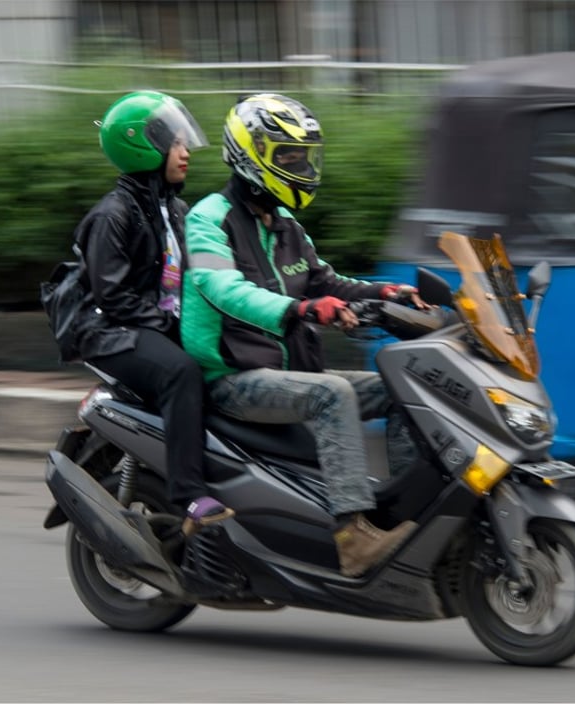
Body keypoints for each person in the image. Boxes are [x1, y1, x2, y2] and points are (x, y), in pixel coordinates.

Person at [181, 93, 424, 578]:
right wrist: (302, 309)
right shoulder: (208, 219)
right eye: (287, 157)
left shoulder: (286, 223)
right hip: (234, 377)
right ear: (250, 156)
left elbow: (324, 281)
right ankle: (353, 535)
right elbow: (225, 290)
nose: (300, 166)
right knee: (332, 395)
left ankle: (404, 512)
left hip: (290, 371)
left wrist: (385, 290)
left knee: (408, 387)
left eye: (303, 156)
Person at [69, 90, 234, 537]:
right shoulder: (113, 215)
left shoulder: (173, 209)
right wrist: (176, 328)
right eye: (174, 144)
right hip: (111, 331)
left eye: (184, 143)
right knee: (181, 371)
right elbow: (115, 296)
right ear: (142, 146)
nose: (185, 153)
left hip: (150, 325)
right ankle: (189, 494)